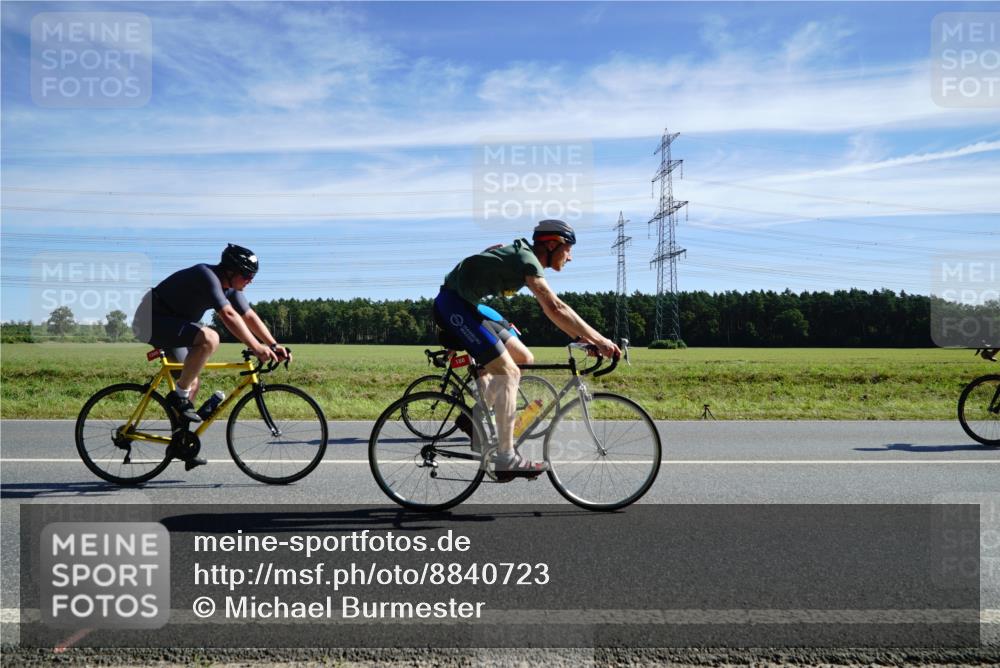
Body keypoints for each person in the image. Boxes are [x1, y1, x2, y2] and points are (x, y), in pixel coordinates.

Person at [433, 219, 620, 481]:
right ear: (552, 244)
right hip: (453, 305)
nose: (571, 257)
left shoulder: (525, 258)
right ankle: (506, 458)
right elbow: (554, 307)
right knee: (508, 373)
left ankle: (474, 419)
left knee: (523, 358)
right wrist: (600, 340)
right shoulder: (528, 260)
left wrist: (582, 338)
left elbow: (554, 312)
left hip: (468, 305)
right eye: (569, 248)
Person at [133, 244, 290, 469]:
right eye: (247, 275)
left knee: (191, 381)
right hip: (150, 320)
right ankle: (178, 399)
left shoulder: (231, 289)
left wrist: (273, 345)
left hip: (174, 324)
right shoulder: (206, 275)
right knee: (210, 338)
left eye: (253, 275)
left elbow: (249, 316)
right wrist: (256, 347)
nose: (250, 280)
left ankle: (181, 443)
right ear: (230, 270)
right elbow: (227, 315)